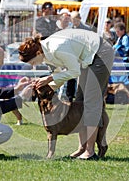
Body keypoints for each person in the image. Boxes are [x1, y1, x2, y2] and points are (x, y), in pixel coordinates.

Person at [18, 29, 114, 160]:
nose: (34, 66)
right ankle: (82, 148)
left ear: (38, 52)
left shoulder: (57, 48)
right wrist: (41, 86)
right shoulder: (46, 54)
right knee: (79, 100)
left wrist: (48, 79)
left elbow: (74, 72)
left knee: (90, 102)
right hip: (87, 57)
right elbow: (59, 77)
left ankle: (90, 151)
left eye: (33, 62)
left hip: (101, 53)